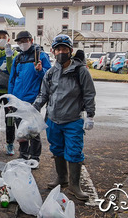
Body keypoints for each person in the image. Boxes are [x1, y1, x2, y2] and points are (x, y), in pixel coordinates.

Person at [33, 35, 96, 201]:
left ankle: (75, 185)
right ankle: (62, 178)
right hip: (53, 120)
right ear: (53, 52)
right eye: (58, 49)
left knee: (74, 152)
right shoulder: (50, 73)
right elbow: (43, 94)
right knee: (57, 149)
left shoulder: (80, 71)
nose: (61, 52)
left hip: (73, 120)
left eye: (64, 49)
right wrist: (35, 107)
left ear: (71, 51)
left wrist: (90, 115)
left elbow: (89, 94)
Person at [8, 30, 51, 167]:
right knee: (21, 130)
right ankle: (23, 154)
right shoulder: (18, 58)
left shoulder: (41, 56)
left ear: (31, 40)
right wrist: (10, 98)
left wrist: (40, 70)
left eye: (25, 41)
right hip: (17, 100)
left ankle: (35, 157)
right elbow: (12, 79)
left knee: (33, 130)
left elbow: (48, 77)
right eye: (20, 42)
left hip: (33, 100)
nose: (22, 44)